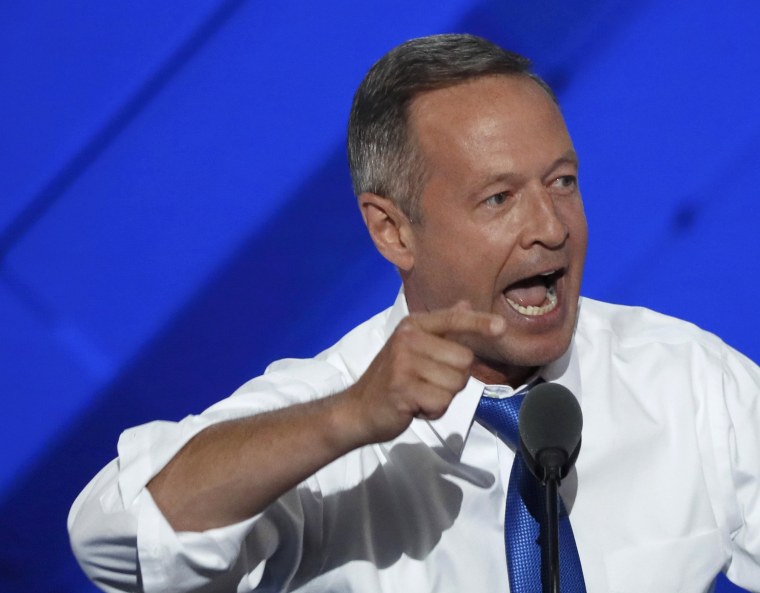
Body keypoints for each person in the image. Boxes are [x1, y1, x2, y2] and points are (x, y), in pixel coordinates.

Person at [68, 34, 760, 593]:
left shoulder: (686, 378)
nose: (551, 226)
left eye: (563, 182)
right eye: (499, 198)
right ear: (393, 230)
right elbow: (118, 543)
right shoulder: (326, 412)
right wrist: (347, 418)